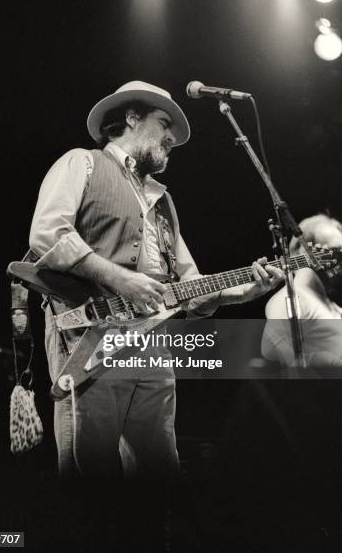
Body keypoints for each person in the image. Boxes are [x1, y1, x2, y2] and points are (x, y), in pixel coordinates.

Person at [29, 80, 283, 479]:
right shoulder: (83, 162)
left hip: (154, 343)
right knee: (90, 474)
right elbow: (48, 233)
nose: (171, 139)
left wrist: (245, 292)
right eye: (164, 124)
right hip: (89, 332)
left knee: (159, 472)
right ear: (131, 118)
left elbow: (191, 285)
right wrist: (121, 280)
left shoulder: (163, 200)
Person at [261, 214, 342, 368]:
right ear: (301, 252)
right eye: (334, 250)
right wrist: (321, 360)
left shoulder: (329, 301)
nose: (339, 258)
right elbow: (270, 350)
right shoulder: (292, 298)